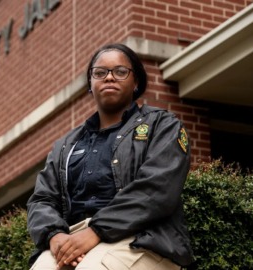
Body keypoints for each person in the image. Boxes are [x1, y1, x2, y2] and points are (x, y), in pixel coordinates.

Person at [27, 43, 193, 270]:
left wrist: (96, 231)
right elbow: (42, 200)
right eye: (100, 73)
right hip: (72, 238)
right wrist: (55, 237)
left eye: (120, 71)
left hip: (143, 238)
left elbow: (157, 188)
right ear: (90, 84)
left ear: (136, 83)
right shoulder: (66, 144)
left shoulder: (162, 125)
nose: (109, 78)